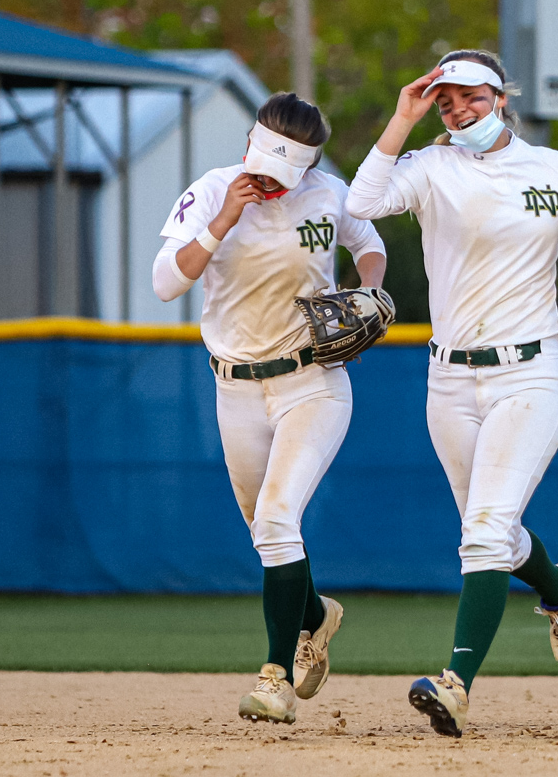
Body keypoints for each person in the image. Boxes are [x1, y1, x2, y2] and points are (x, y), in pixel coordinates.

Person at [347, 51, 558, 737]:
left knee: (483, 532)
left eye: (469, 97)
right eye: (445, 100)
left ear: (500, 97)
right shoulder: (429, 168)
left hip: (530, 371)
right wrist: (402, 119)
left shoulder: (553, 170)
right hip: (449, 377)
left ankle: (455, 683)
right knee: (493, 533)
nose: (457, 110)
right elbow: (359, 203)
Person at [153, 92, 386, 725]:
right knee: (266, 532)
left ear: (308, 166)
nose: (268, 183)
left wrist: (368, 288)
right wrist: (223, 218)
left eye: (286, 175)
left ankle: (276, 676)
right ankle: (317, 615)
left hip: (313, 380)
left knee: (279, 521)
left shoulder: (328, 193)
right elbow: (166, 281)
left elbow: (368, 242)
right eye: (262, 167)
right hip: (236, 389)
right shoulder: (213, 191)